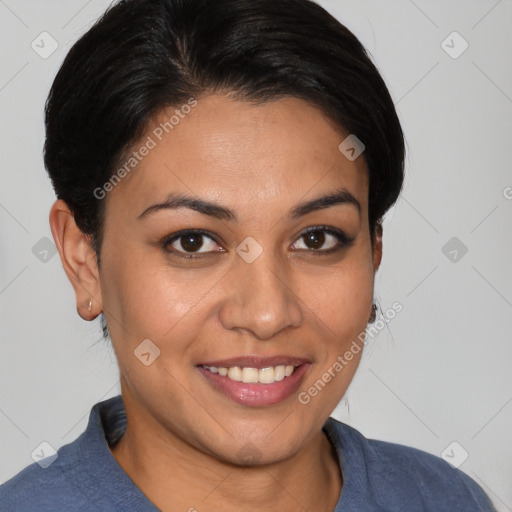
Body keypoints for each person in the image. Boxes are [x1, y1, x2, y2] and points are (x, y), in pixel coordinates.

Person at [0, 0, 497, 510]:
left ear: (374, 251)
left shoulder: (444, 499)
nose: (266, 314)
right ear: (85, 259)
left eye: (317, 238)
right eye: (192, 242)